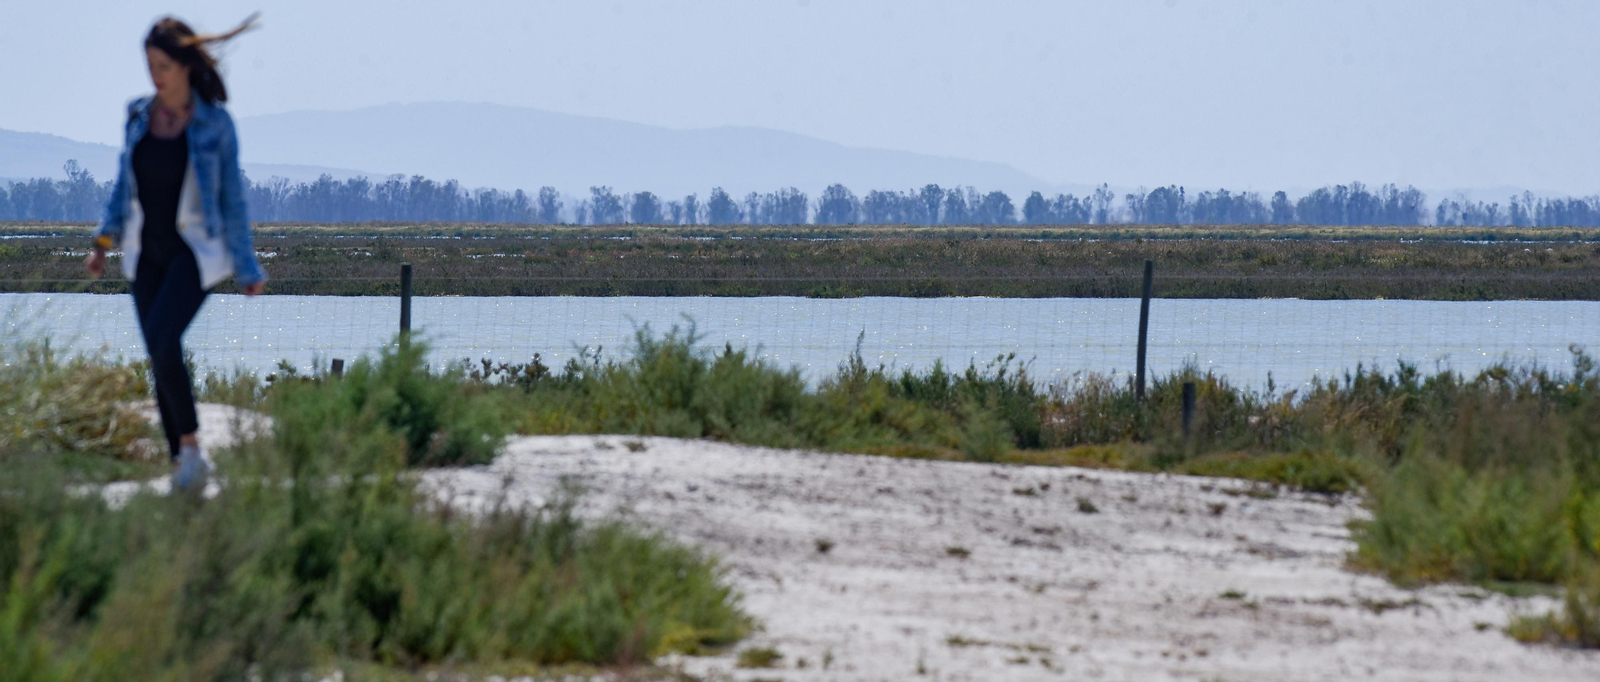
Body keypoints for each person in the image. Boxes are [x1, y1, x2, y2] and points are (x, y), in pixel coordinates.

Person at [85, 14, 268, 493]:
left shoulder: (213, 123)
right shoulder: (138, 115)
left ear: (186, 64)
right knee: (157, 352)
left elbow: (232, 199)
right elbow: (123, 185)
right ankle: (181, 466)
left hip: (194, 251)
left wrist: (247, 266)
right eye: (150, 66)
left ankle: (190, 448)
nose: (155, 75)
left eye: (164, 65)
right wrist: (104, 241)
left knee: (165, 339)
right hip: (146, 250)